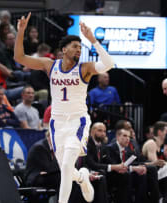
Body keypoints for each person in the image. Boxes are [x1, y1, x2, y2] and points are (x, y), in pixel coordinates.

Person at [14, 13, 115, 203]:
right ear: (63, 50)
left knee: (68, 164)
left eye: (80, 47)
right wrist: (21, 31)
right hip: (57, 123)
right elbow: (19, 57)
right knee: (67, 169)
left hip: (78, 120)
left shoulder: (85, 68)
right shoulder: (50, 65)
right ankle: (83, 177)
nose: (78, 50)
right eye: (75, 47)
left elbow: (109, 64)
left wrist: (93, 40)